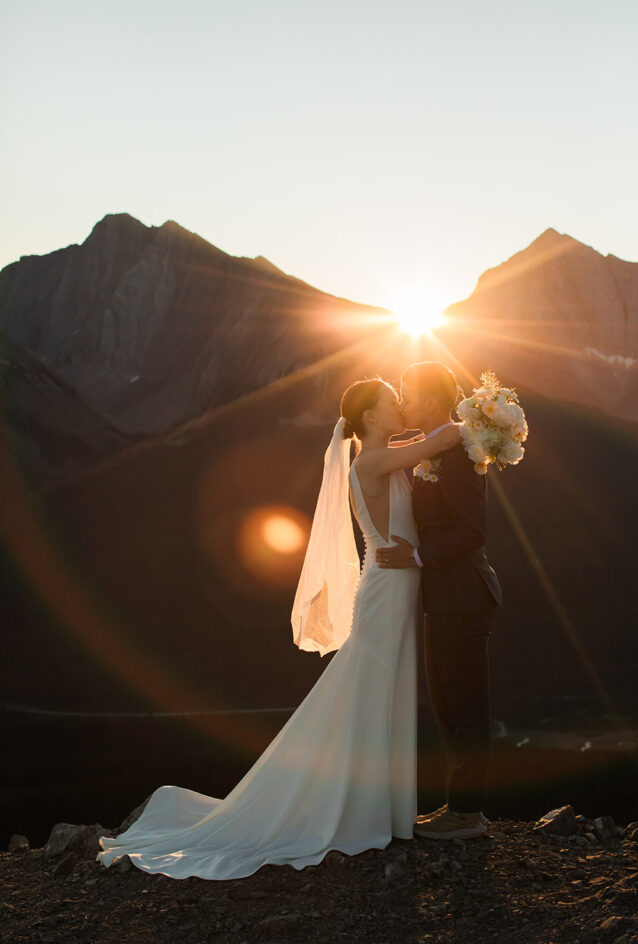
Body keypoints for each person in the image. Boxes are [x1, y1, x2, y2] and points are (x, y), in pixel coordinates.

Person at [96, 377, 460, 880]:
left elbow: (425, 443)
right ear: (371, 417)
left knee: (382, 690)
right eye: (390, 402)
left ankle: (382, 808)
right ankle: (351, 809)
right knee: (368, 690)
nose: (400, 405)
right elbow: (441, 440)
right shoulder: (372, 461)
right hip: (384, 591)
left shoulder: (383, 453)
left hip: (395, 587)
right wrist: (490, 419)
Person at [376, 362, 502, 841]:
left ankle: (468, 814)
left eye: (408, 394)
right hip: (443, 598)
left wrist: (417, 555)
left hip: (465, 596)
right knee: (447, 705)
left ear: (431, 401)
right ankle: (458, 806)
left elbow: (473, 530)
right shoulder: (439, 446)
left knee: (466, 707)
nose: (404, 402)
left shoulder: (458, 454)